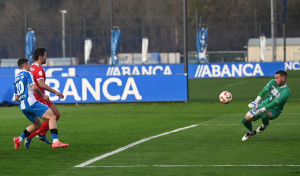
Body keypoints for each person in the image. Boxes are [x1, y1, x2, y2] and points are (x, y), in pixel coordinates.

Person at [13, 58, 69, 150]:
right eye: (29, 65)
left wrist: (25, 103)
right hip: (31, 103)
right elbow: (34, 87)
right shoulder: (28, 74)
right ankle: (56, 142)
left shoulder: (16, 78)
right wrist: (43, 96)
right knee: (52, 116)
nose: (30, 67)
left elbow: (16, 98)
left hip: (23, 106)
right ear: (25, 66)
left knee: (37, 124)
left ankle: (19, 139)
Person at [24, 48, 65, 148]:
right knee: (54, 116)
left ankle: (41, 134)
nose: (46, 58)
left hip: (37, 96)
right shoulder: (39, 69)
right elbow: (41, 84)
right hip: (40, 97)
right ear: (40, 57)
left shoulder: (31, 67)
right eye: (45, 56)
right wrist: (55, 91)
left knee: (55, 115)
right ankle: (31, 136)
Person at [241, 70, 290, 141]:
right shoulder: (272, 82)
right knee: (245, 120)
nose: (275, 80)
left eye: (277, 78)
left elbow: (274, 103)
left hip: (275, 110)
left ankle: (264, 125)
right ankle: (251, 132)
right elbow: (264, 91)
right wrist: (256, 101)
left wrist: (260, 110)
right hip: (264, 104)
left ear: (283, 79)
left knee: (264, 115)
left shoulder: (286, 92)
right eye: (275, 77)